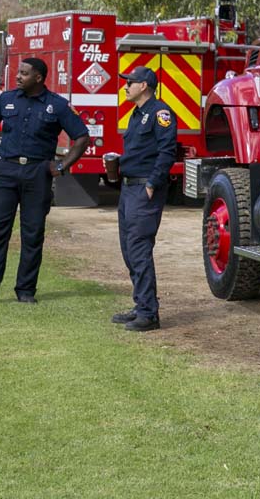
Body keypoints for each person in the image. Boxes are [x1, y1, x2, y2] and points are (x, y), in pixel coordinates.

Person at [0, 57, 90, 305]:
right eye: (18, 73)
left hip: (37, 174)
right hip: (5, 172)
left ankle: (26, 291)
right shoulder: (6, 99)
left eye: (24, 73)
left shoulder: (58, 105)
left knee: (32, 234)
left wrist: (61, 167)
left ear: (38, 78)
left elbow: (82, 137)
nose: (18, 77)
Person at [112, 66, 177, 331]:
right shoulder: (136, 114)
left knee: (138, 249)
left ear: (144, 86)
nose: (126, 86)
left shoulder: (160, 113)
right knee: (129, 250)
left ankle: (149, 314)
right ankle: (141, 305)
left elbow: (167, 152)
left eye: (130, 82)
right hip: (129, 189)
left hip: (143, 190)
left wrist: (152, 184)